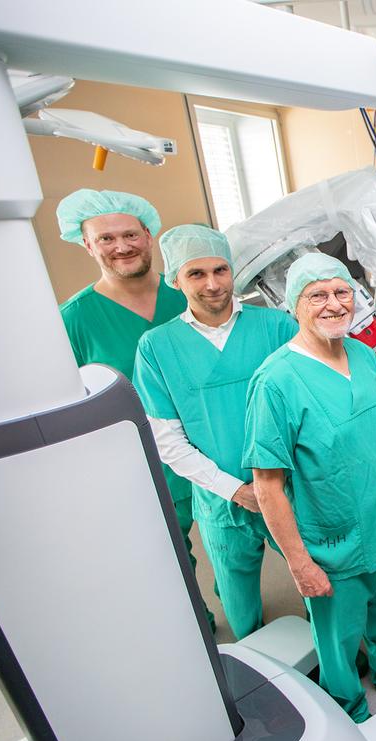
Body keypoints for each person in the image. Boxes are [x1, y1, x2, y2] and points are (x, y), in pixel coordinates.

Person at [244, 253, 376, 722]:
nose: (334, 304)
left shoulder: (360, 353)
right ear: (295, 305)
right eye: (318, 295)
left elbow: (374, 439)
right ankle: (344, 703)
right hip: (329, 538)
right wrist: (299, 563)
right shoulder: (275, 381)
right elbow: (268, 486)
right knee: (337, 633)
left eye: (342, 292)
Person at [56, 189, 211, 630]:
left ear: (149, 234)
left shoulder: (190, 293)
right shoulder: (75, 319)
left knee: (238, 537)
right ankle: (191, 622)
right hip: (140, 459)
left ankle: (242, 606)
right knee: (168, 549)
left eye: (130, 234)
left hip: (213, 442)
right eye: (105, 239)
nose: (121, 246)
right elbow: (68, 404)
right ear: (87, 244)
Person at [133, 225, 297, 639]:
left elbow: (308, 406)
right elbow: (165, 437)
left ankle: (335, 652)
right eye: (196, 274)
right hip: (220, 495)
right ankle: (255, 657)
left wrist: (275, 486)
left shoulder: (277, 327)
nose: (212, 284)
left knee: (313, 571)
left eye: (220, 270)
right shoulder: (157, 347)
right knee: (236, 590)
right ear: (175, 280)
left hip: (289, 484)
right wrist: (235, 490)